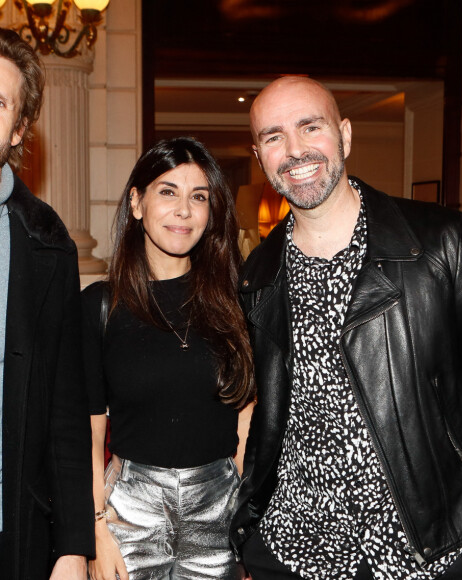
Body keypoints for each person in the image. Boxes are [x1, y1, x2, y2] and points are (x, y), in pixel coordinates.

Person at [230, 76, 462, 580]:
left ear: (344, 135)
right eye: (274, 136)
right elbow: (262, 411)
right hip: (293, 547)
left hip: (426, 548)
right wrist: (251, 531)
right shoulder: (258, 274)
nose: (295, 149)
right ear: (259, 155)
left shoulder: (438, 241)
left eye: (311, 127)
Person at [82, 136, 255, 580]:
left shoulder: (238, 303)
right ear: (136, 203)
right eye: (167, 192)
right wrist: (96, 531)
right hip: (129, 513)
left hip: (219, 511)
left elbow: (245, 421)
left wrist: (250, 526)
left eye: (199, 197)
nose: (184, 210)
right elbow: (88, 429)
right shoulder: (100, 306)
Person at [0, 28, 95, 578]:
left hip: (16, 530)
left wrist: (73, 545)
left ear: (18, 131)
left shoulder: (46, 240)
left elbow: (65, 408)